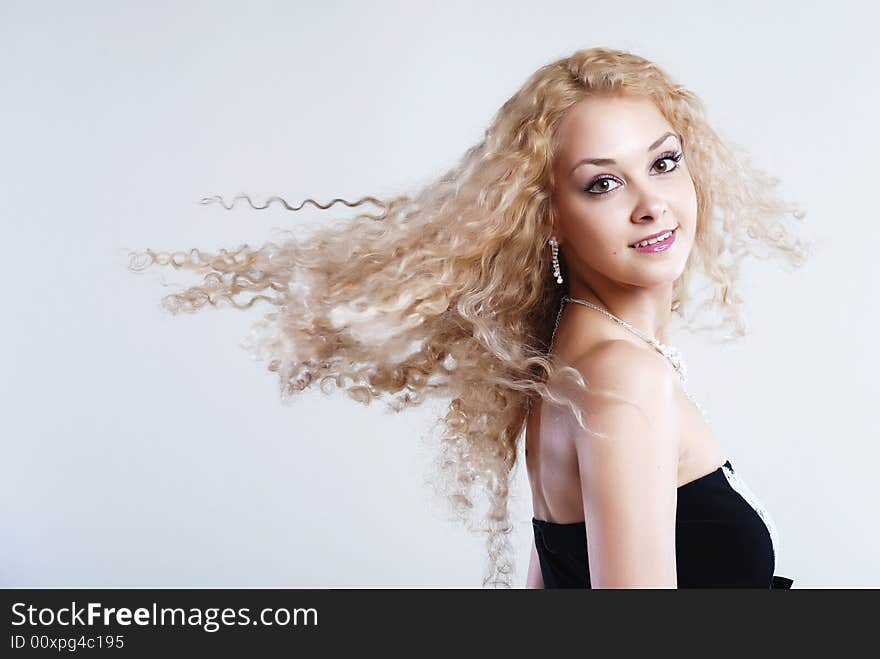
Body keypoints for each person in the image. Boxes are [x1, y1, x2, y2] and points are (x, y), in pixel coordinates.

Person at [128, 47, 810, 588]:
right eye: (603, 182)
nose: (652, 203)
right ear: (548, 216)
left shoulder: (577, 359)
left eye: (663, 163)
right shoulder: (622, 378)